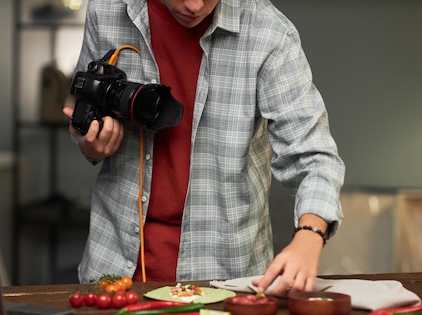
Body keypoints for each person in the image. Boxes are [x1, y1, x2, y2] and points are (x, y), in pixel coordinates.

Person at [62, 0, 345, 295]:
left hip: (226, 275)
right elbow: (84, 109)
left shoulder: (269, 32)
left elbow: (314, 156)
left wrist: (309, 236)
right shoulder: (105, 11)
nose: (195, 6)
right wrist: (91, 145)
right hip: (113, 268)